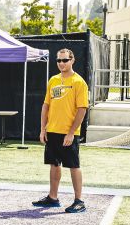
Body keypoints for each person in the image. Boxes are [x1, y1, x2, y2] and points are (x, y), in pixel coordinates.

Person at [32, 47, 89, 213]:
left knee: (73, 165)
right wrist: (43, 129)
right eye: (59, 60)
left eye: (65, 60)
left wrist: (71, 132)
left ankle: (79, 201)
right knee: (54, 163)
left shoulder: (79, 82)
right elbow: (46, 106)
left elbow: (82, 109)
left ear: (72, 60)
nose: (62, 63)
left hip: (68, 133)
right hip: (52, 131)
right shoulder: (53, 80)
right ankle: (53, 197)